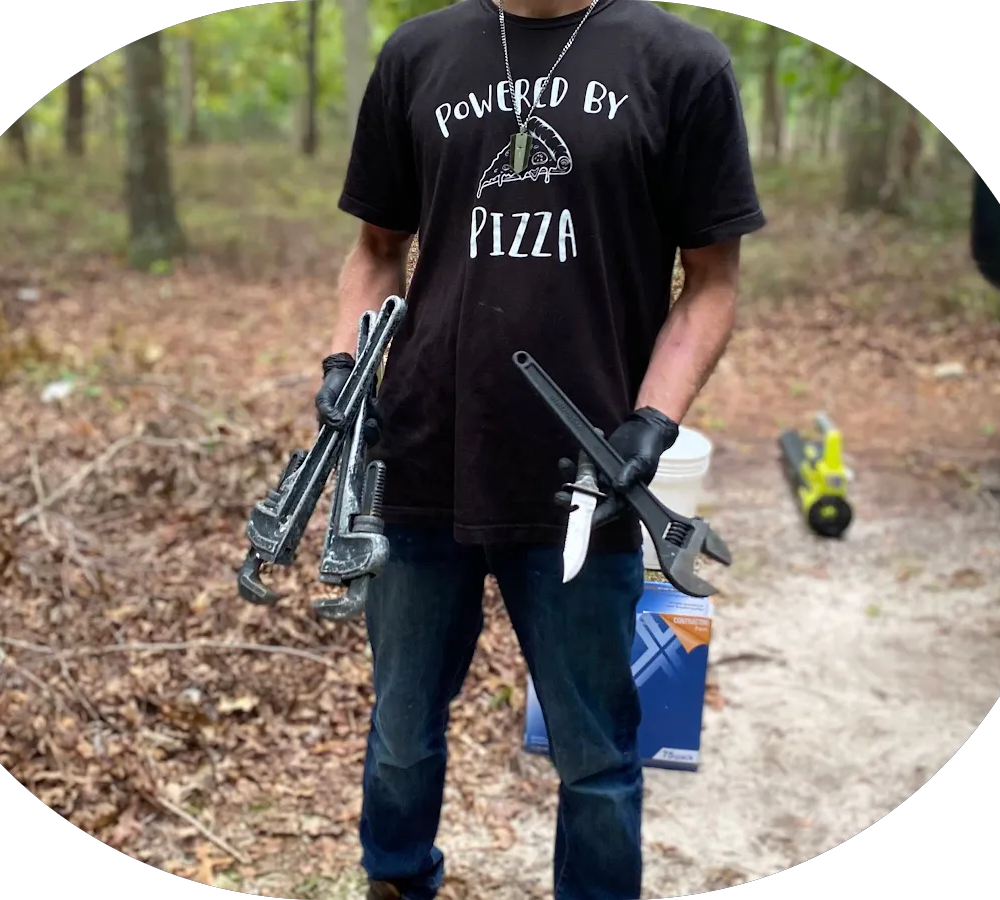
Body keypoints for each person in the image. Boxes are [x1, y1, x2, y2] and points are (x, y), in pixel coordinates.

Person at [315, 1, 765, 898]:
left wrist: (652, 419)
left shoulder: (681, 64)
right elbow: (375, 248)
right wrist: (344, 363)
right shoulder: (418, 53)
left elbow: (712, 280)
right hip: (419, 459)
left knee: (596, 758)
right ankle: (396, 880)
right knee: (401, 731)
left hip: (585, 479)